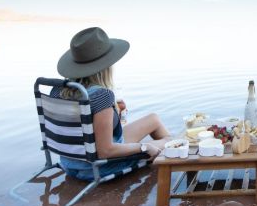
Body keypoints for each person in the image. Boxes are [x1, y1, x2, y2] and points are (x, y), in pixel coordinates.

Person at [52, 27, 171, 180]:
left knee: (153, 119)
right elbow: (105, 151)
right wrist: (145, 147)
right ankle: (176, 166)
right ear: (106, 65)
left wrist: (114, 115)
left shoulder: (58, 89)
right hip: (99, 166)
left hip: (71, 163)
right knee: (168, 142)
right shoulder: (101, 95)